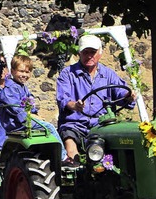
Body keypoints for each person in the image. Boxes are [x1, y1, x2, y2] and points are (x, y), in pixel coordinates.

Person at [56, 34, 135, 166]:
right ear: (79, 53)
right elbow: (63, 98)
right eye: (85, 52)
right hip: (76, 125)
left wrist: (128, 95)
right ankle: (74, 169)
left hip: (102, 125)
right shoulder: (68, 74)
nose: (89, 56)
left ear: (100, 53)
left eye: (93, 52)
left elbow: (121, 93)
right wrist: (74, 105)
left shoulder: (108, 74)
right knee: (71, 148)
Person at [0, 55, 67, 160]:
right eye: (21, 71)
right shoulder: (10, 89)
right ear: (13, 71)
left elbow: (30, 101)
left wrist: (34, 113)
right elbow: (16, 110)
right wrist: (31, 116)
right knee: (50, 128)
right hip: (17, 123)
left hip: (24, 120)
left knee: (47, 127)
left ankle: (49, 155)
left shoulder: (22, 87)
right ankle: (63, 157)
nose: (24, 75)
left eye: (27, 72)